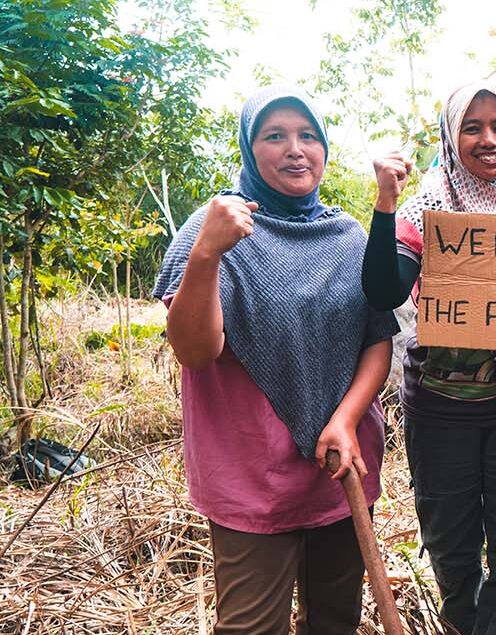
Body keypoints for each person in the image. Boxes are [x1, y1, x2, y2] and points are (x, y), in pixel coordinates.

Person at [154, 86, 399, 634]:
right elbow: (195, 351)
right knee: (250, 626)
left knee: (335, 621)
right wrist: (208, 253)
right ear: (249, 147)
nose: (295, 149)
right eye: (275, 136)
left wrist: (345, 419)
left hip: (340, 466)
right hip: (251, 476)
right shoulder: (213, 226)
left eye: (308, 136)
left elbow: (377, 341)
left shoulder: (347, 236)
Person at [360, 80, 496, 635]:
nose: (489, 140)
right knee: (452, 555)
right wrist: (385, 204)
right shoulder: (425, 211)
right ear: (449, 136)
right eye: (472, 127)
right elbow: (385, 289)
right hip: (440, 413)